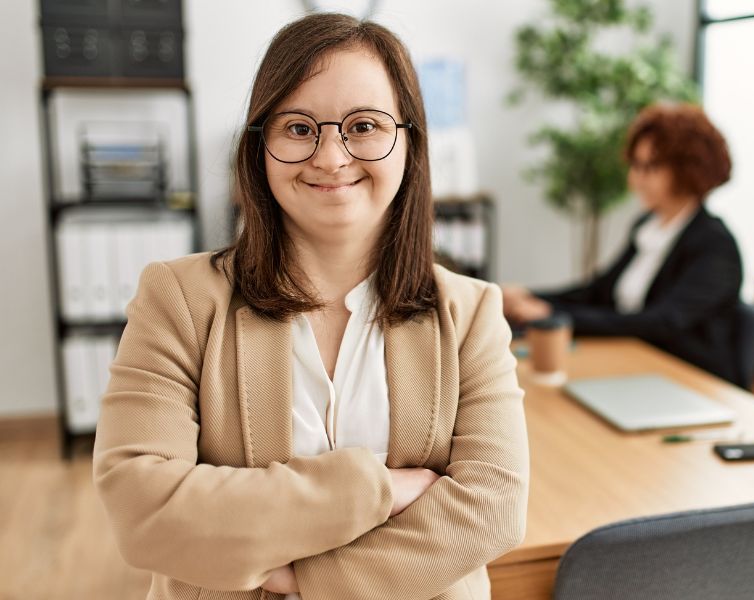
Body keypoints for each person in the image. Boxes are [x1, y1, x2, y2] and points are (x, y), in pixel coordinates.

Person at [92, 14, 528, 600]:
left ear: (410, 141)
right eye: (298, 127)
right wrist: (381, 489)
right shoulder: (178, 299)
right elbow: (143, 510)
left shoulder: (470, 312)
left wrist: (302, 578)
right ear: (259, 146)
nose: (330, 156)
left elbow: (493, 510)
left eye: (365, 126)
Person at [503, 103, 744, 385]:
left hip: (692, 381)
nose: (636, 178)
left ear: (687, 169)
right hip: (638, 367)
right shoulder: (648, 227)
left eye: (650, 166)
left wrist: (551, 314)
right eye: (635, 165)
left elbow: (660, 323)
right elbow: (599, 291)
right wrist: (532, 296)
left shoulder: (715, 246)